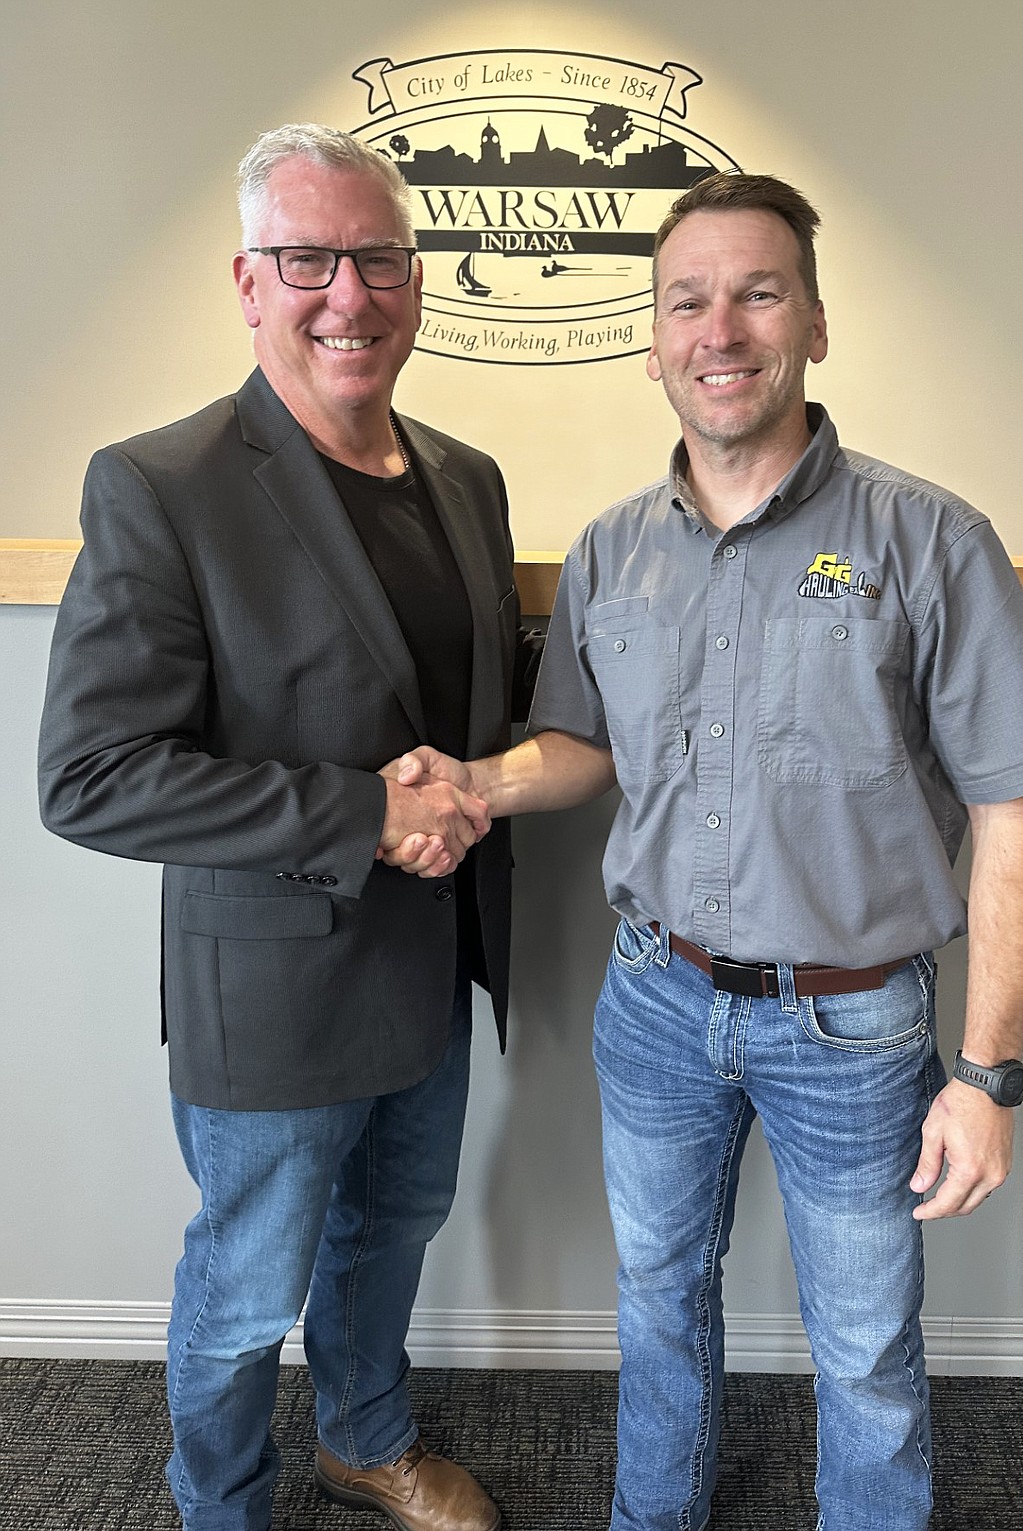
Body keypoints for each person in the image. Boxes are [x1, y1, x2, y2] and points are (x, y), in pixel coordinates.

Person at [381, 172, 1023, 1530]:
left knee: (868, 1352)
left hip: (855, 1020)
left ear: (815, 324)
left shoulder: (928, 540)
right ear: (652, 343)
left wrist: (989, 1072)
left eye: (759, 294)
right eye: (688, 302)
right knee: (657, 1302)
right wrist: (475, 780)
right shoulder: (609, 554)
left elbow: (1018, 815)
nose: (722, 330)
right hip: (655, 998)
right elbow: (585, 748)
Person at [38, 124, 538, 1531]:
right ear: (248, 282)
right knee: (247, 1284)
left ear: (416, 281)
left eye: (378, 259)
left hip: (435, 959)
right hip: (269, 987)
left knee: (395, 1230)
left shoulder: (467, 477)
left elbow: (470, 710)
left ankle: (365, 1438)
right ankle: (223, 1504)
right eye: (309, 259)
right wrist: (363, 812)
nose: (348, 295)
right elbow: (92, 774)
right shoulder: (163, 483)